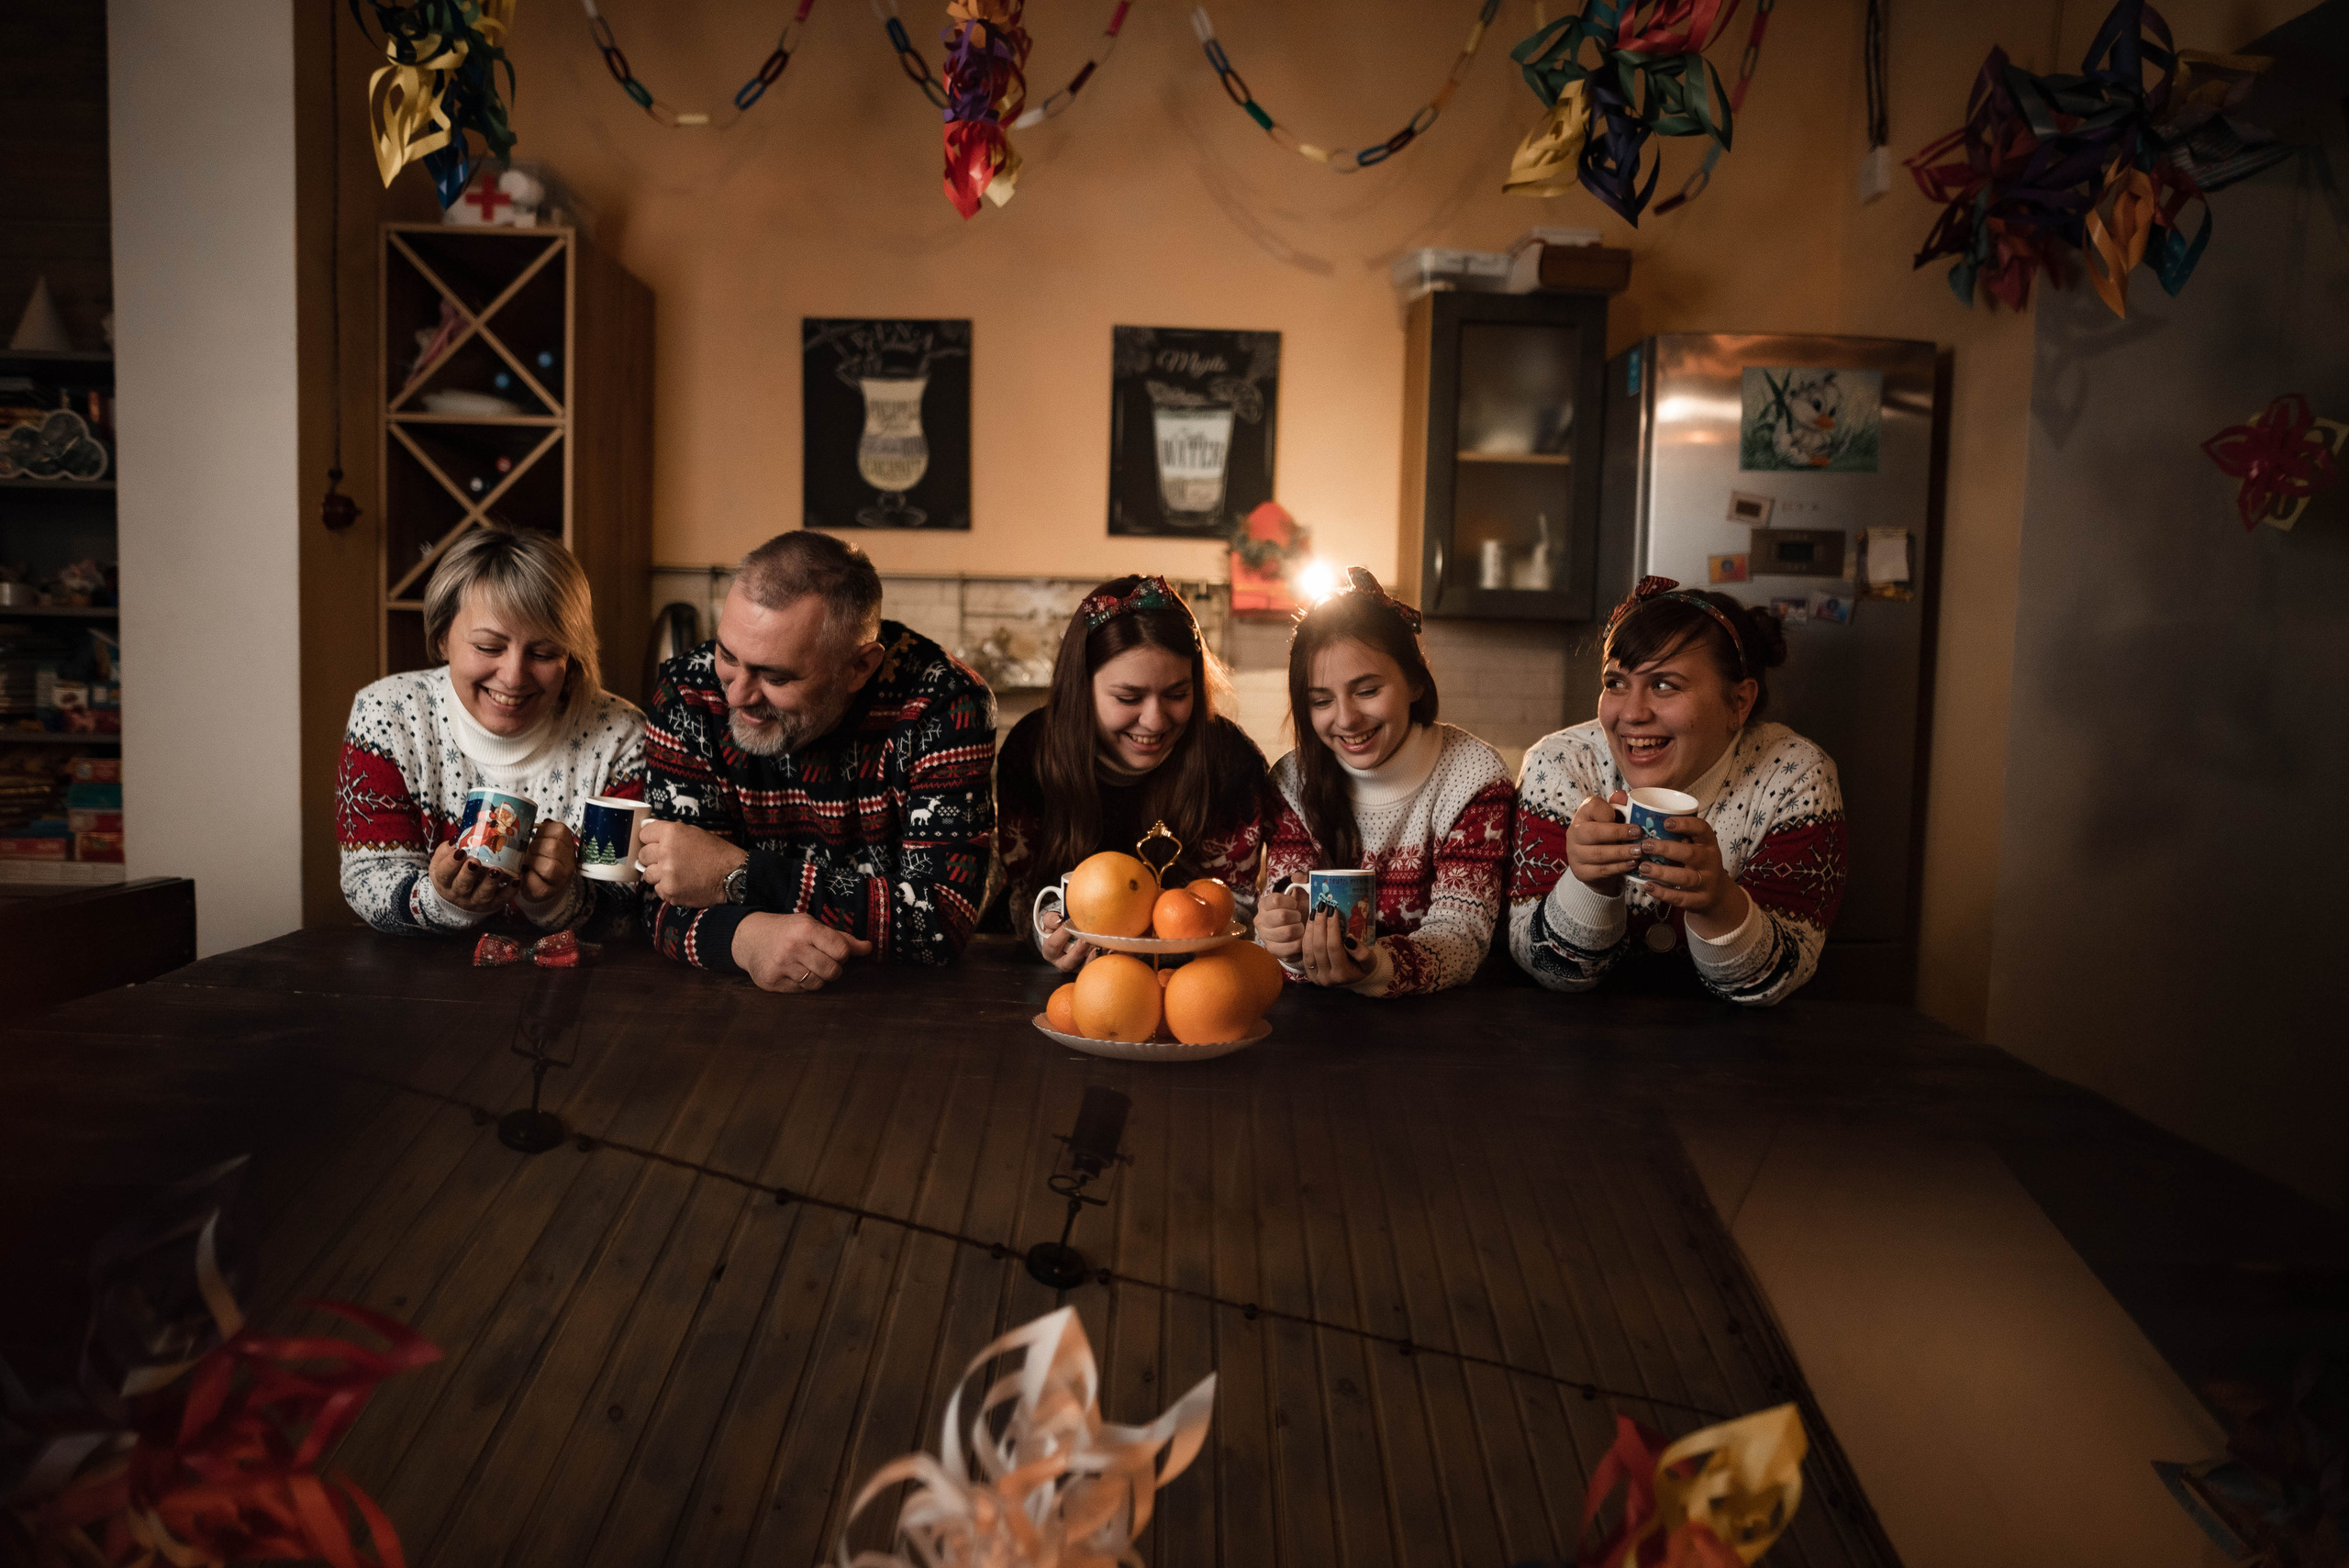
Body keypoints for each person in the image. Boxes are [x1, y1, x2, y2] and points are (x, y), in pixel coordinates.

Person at [636, 530, 995, 991]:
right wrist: (743, 939)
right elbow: (660, 897)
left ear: (859, 667)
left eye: (775, 676)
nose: (737, 695)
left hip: (901, 1010)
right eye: (727, 654)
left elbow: (940, 921)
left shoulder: (944, 704)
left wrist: (740, 875)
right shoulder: (688, 692)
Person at [1509, 575, 1848, 1005]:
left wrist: (1718, 903)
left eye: (1665, 685)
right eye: (1615, 683)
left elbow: (1775, 982)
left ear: (1738, 703)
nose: (1632, 713)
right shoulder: (1559, 766)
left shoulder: (1795, 778)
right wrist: (1589, 886)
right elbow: (1543, 968)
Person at [337, 525, 644, 937]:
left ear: (572, 654)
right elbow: (367, 879)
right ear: (443, 637)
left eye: (544, 652)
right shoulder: (387, 716)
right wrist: (441, 899)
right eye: (488, 647)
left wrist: (558, 899)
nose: (514, 677)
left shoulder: (619, 736)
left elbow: (630, 909)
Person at [1256, 569, 1515, 996]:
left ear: (1415, 681)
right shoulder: (1291, 781)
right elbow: (1287, 899)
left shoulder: (1472, 776)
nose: (1345, 719)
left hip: (1436, 1025)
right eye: (1321, 700)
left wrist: (1375, 966)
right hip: (1318, 1021)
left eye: (1367, 691)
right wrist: (1283, 938)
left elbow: (1462, 938)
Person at [996, 574, 1274, 970]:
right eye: (1128, 697)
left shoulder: (1230, 761)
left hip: (1192, 982)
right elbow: (1023, 892)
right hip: (1059, 983)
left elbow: (1235, 903)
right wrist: (1046, 931)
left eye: (1177, 694)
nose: (1155, 720)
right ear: (1081, 687)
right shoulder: (1032, 751)